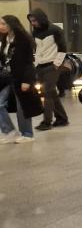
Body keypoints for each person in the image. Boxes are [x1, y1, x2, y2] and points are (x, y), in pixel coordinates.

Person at [0, 15, 40, 144]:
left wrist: (27, 81)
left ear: (12, 24)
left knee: (22, 106)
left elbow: (29, 62)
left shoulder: (23, 39)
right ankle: (9, 131)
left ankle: (27, 133)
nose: (1, 27)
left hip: (21, 77)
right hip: (7, 78)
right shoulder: (5, 39)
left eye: (3, 24)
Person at [27, 9, 69, 130]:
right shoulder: (35, 32)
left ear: (41, 18)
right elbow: (36, 49)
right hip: (40, 66)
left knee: (47, 91)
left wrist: (57, 63)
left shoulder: (55, 29)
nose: (33, 23)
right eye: (31, 21)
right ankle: (62, 118)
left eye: (34, 20)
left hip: (53, 65)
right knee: (51, 93)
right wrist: (35, 63)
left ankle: (47, 122)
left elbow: (63, 47)